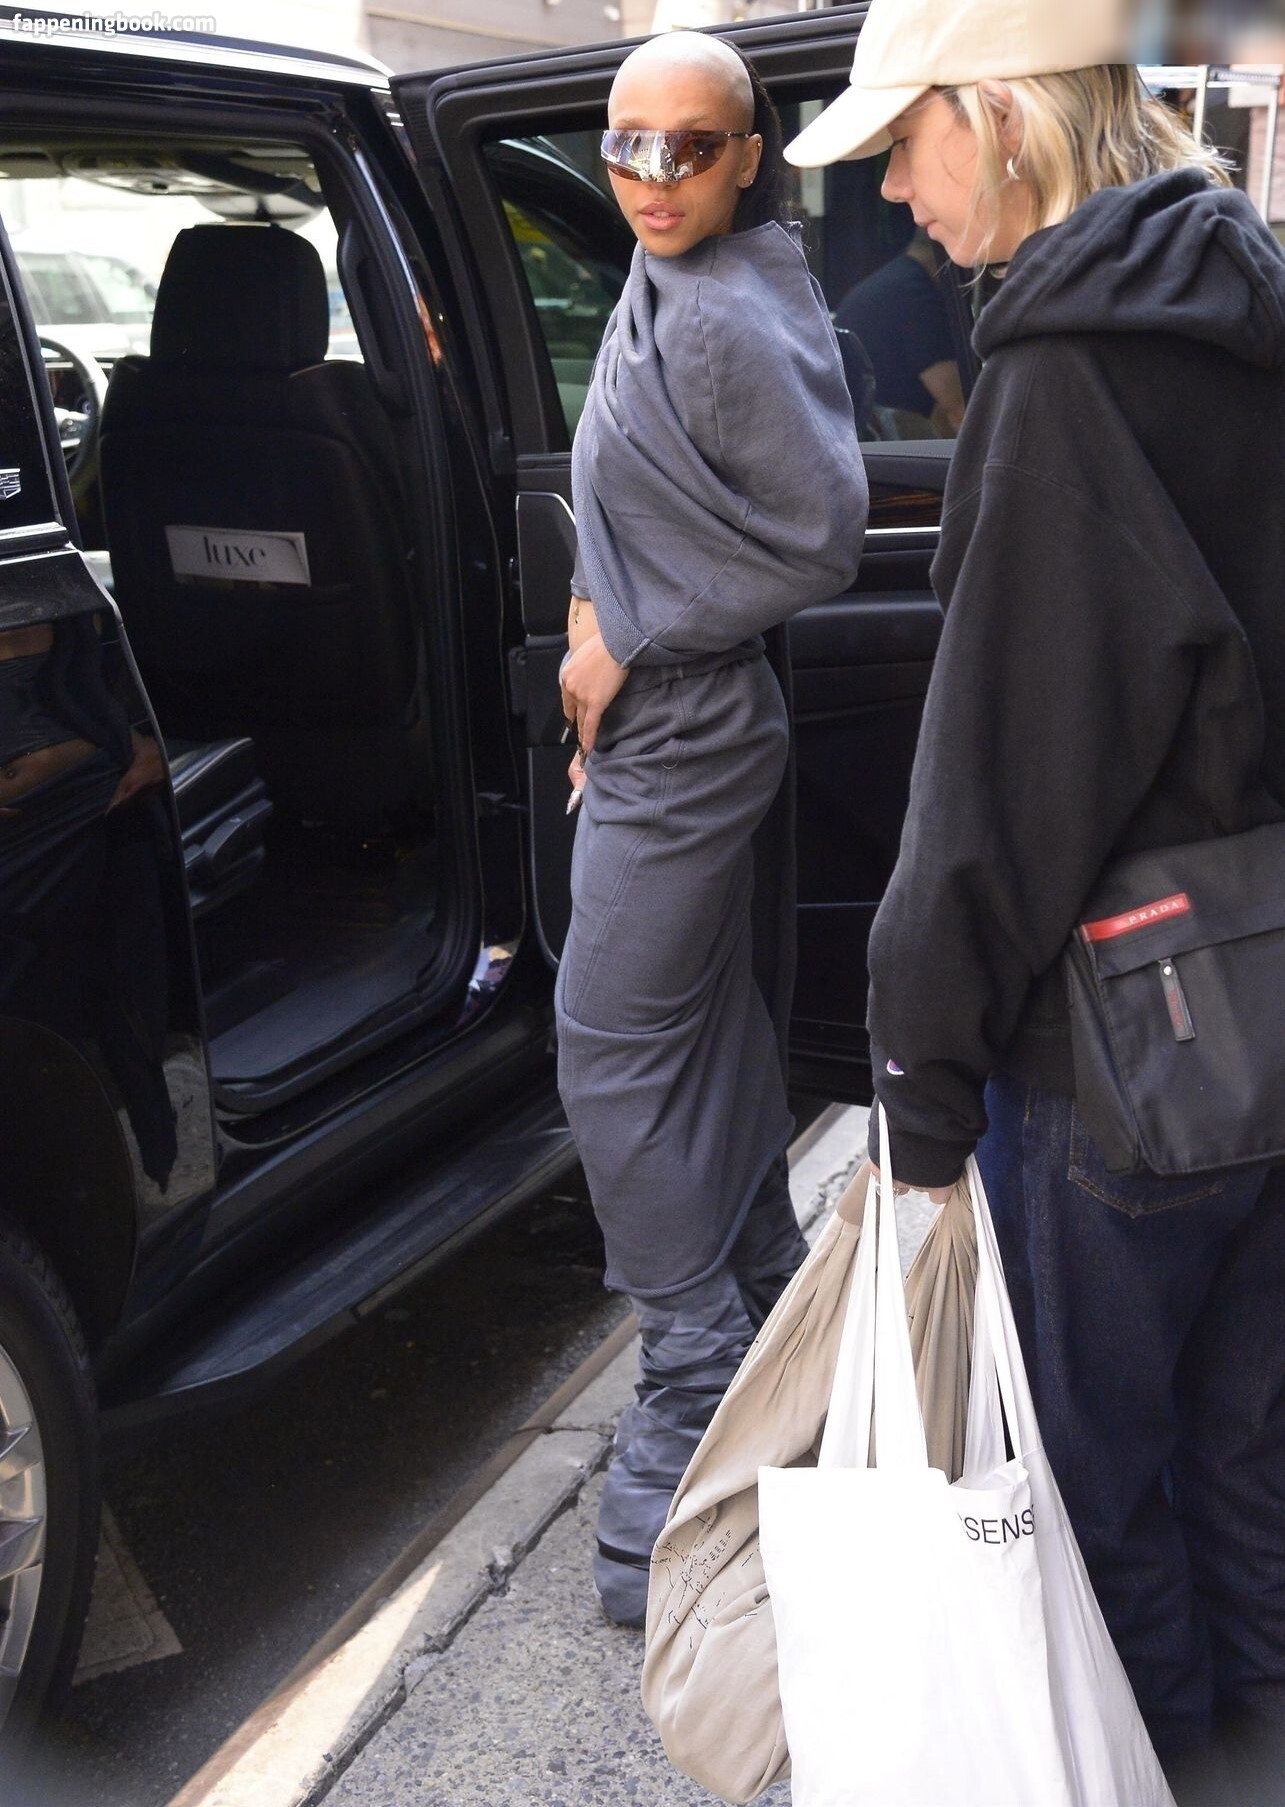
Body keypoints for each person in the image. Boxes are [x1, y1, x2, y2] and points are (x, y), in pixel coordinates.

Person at [787, 1, 1285, 1800]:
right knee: (1245, 1473)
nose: (891, 193)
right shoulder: (1249, 312)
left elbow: (1000, 784)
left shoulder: (1062, 370)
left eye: (903, 141)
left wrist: (915, 1092)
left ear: (999, 114)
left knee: (1090, 1504)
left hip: (1118, 1049)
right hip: (1263, 1006)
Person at [558, 30, 867, 1627]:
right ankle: (758, 1312)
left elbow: (822, 538)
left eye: (692, 147)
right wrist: (588, 613)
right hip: (654, 727)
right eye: (629, 144)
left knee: (610, 1050)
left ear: (751, 155)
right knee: (698, 1033)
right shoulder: (663, 269)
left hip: (690, 728)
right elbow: (615, 487)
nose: (654, 175)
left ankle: (691, 1371)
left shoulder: (734, 311)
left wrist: (629, 631)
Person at [835, 223, 966, 432]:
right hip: (891, 438)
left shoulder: (893, 282)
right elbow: (959, 408)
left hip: (862, 436)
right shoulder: (914, 294)